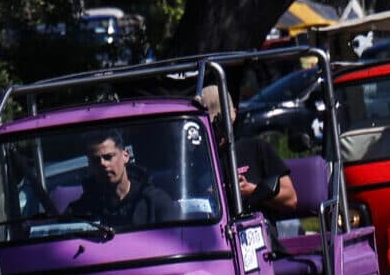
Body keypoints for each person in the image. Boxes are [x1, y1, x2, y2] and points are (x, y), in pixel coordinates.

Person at [199, 84, 299, 219]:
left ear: (232, 117)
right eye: (210, 125)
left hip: (257, 233)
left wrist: (252, 190)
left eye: (220, 123)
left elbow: (291, 199)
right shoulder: (197, 160)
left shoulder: (257, 149)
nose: (217, 131)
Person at [77, 127, 179, 228]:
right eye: (95, 160)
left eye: (108, 157)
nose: (102, 164)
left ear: (125, 156)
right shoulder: (81, 211)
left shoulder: (155, 203)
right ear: (89, 164)